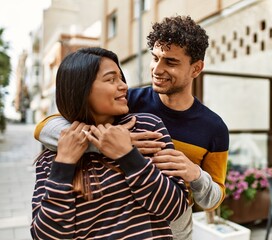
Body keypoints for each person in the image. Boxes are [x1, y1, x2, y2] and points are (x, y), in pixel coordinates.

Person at [34, 15, 229, 240]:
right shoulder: (126, 103)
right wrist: (101, 143)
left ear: (196, 68)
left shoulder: (214, 128)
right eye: (155, 58)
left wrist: (195, 175)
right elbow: (44, 128)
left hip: (175, 233)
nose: (157, 69)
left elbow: (214, 198)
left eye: (171, 62)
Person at [31, 47, 189, 240]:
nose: (123, 86)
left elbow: (175, 208)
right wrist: (64, 163)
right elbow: (46, 236)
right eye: (111, 79)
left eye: (121, 78)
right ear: (81, 89)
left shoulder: (146, 129)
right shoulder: (54, 154)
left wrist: (128, 156)